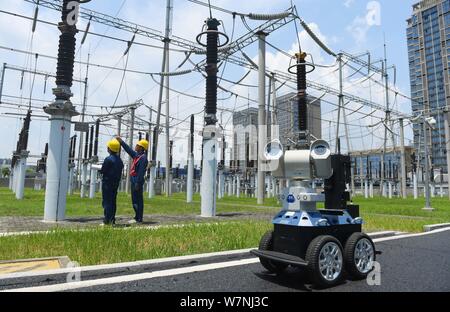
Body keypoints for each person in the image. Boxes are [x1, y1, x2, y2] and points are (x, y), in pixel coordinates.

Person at [116, 136, 149, 224]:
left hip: (137, 180)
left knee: (138, 199)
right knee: (134, 199)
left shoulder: (143, 158)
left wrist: (138, 183)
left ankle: (139, 218)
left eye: (137, 145)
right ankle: (137, 216)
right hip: (134, 179)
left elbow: (141, 172)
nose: (136, 146)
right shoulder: (137, 155)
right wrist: (121, 142)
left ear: (141, 148)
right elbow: (128, 150)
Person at [100, 139, 124, 226]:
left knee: (106, 202)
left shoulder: (108, 159)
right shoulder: (120, 160)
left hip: (107, 183)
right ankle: (112, 220)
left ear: (110, 149)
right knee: (113, 202)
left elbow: (103, 170)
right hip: (115, 183)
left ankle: (107, 220)